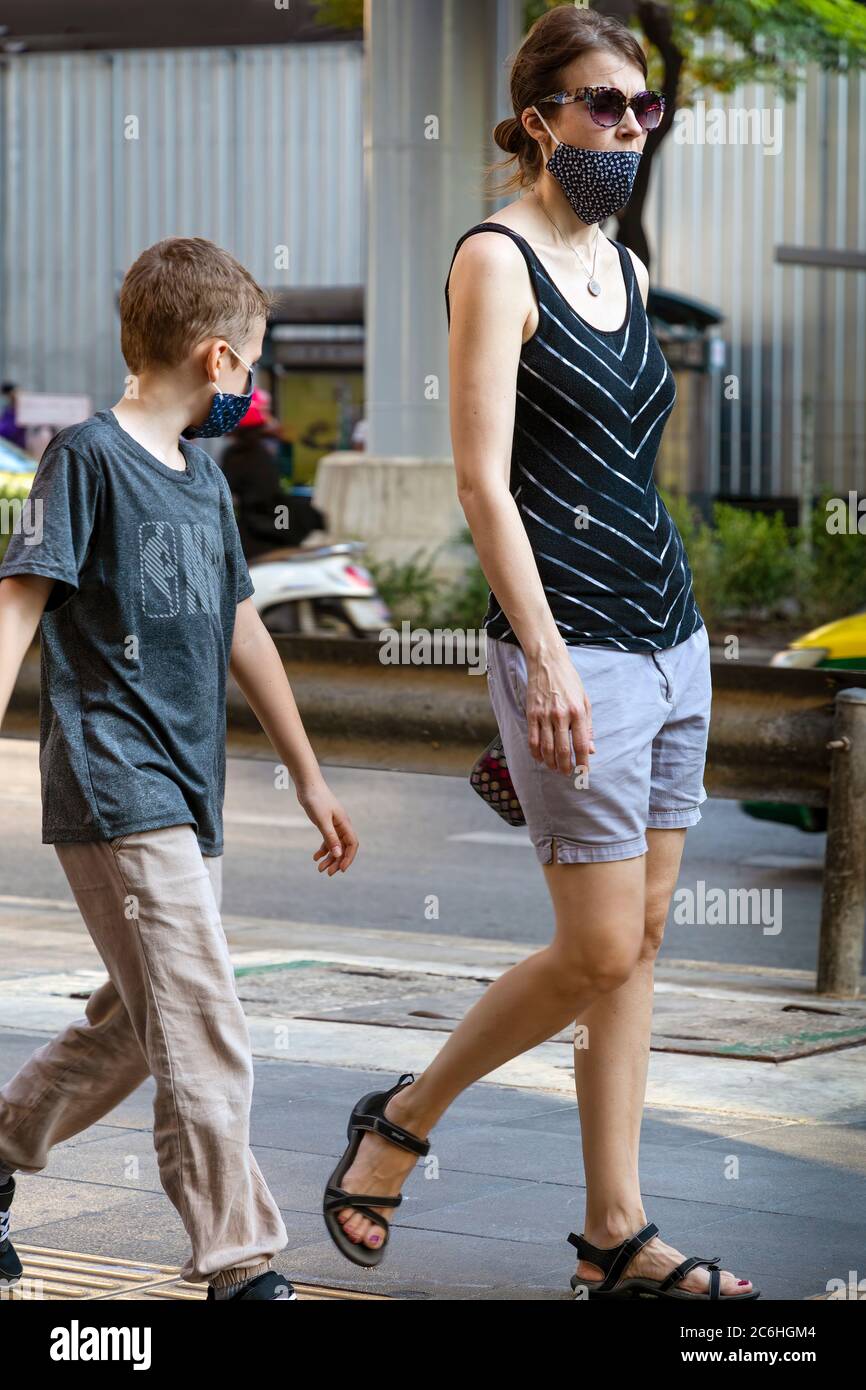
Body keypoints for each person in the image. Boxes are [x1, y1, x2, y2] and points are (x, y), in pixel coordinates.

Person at [321, 7, 758, 1301]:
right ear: (535, 121)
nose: (626, 126)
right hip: (573, 646)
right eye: (601, 105)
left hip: (672, 635)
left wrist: (677, 642)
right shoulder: (493, 261)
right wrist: (547, 655)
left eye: (641, 107)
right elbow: (479, 483)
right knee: (589, 948)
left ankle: (612, 1235)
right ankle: (398, 1121)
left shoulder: (619, 258)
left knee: (641, 942)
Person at [0, 235, 359, 1302]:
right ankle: (239, 1261)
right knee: (201, 1019)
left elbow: (242, 625)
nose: (250, 386)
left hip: (188, 793)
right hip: (115, 785)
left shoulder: (202, 478)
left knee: (142, 1026)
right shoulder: (84, 458)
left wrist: (307, 771)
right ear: (214, 358)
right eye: (249, 365)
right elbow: (19, 603)